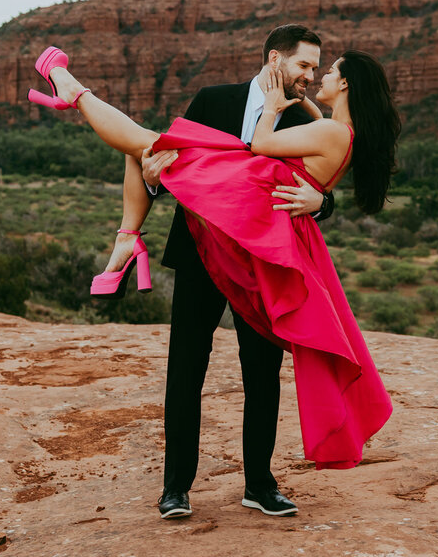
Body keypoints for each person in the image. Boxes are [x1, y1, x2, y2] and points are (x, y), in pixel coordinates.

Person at [30, 30, 398, 521]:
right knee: (185, 368)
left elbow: (315, 171)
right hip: (202, 247)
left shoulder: (296, 114)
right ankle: (175, 487)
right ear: (275, 59)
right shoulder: (216, 99)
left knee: (262, 374)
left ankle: (260, 486)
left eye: (320, 69)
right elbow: (159, 164)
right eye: (305, 65)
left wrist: (323, 202)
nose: (311, 76)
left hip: (262, 255)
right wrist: (155, 179)